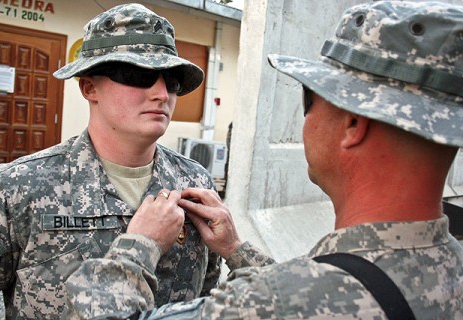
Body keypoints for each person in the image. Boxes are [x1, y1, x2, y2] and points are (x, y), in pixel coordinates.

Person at [64, 1, 463, 319]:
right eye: (135, 76)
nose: (160, 93)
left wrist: (140, 246)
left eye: (309, 98)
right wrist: (236, 248)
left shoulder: (278, 300)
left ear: (353, 124)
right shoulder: (452, 265)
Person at [0, 3, 222, 319]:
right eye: (139, 75)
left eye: (172, 80)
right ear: (89, 87)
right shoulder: (14, 189)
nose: (162, 94)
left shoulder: (195, 183)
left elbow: (205, 298)